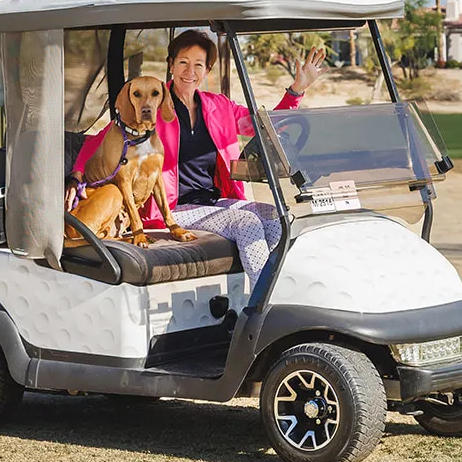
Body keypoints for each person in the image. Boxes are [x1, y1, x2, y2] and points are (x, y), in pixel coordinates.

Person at [67, 29, 328, 278]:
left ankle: (256, 295)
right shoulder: (153, 104)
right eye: (183, 62)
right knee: (245, 224)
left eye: (199, 65)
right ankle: (262, 307)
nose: (189, 71)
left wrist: (296, 90)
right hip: (172, 207)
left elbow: (264, 127)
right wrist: (76, 176)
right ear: (171, 65)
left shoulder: (220, 107)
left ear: (207, 71)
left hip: (214, 200)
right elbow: (101, 139)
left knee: (273, 217)